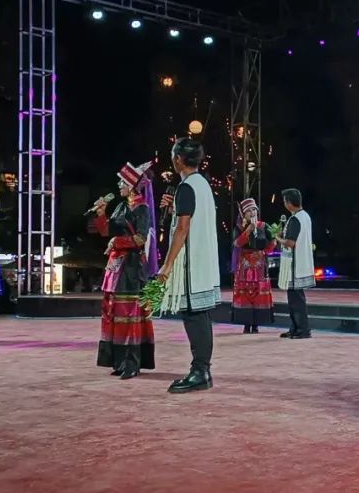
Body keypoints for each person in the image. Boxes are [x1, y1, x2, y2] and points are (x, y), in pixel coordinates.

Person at [158, 138, 221, 393]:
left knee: (194, 317)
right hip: (204, 260)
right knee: (200, 317)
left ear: (178, 159)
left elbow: (182, 229)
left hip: (191, 263)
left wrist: (167, 264)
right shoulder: (202, 184)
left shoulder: (186, 187)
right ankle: (201, 369)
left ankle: (200, 371)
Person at [93, 161, 159, 380]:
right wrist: (101, 214)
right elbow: (106, 231)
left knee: (129, 315)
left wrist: (117, 242)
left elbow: (140, 238)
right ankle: (119, 361)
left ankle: (132, 362)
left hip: (131, 268)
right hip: (115, 266)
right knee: (114, 313)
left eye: (122, 182)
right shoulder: (121, 206)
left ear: (132, 185)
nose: (119, 185)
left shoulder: (142, 208)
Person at [231, 198, 276, 333]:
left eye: (254, 210)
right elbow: (237, 243)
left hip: (260, 265)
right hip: (244, 266)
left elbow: (273, 242)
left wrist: (263, 252)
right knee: (244, 293)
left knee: (259, 292)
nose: (252, 212)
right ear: (243, 214)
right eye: (249, 211)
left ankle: (256, 324)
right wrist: (248, 231)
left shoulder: (264, 226)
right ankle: (246, 324)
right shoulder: (239, 227)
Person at [275, 188, 314, 339]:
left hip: (294, 265)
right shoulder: (305, 216)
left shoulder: (295, 219)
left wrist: (278, 238)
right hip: (302, 262)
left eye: (285, 201)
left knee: (296, 301)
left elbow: (290, 243)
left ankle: (302, 330)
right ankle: (295, 328)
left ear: (289, 203)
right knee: (295, 299)